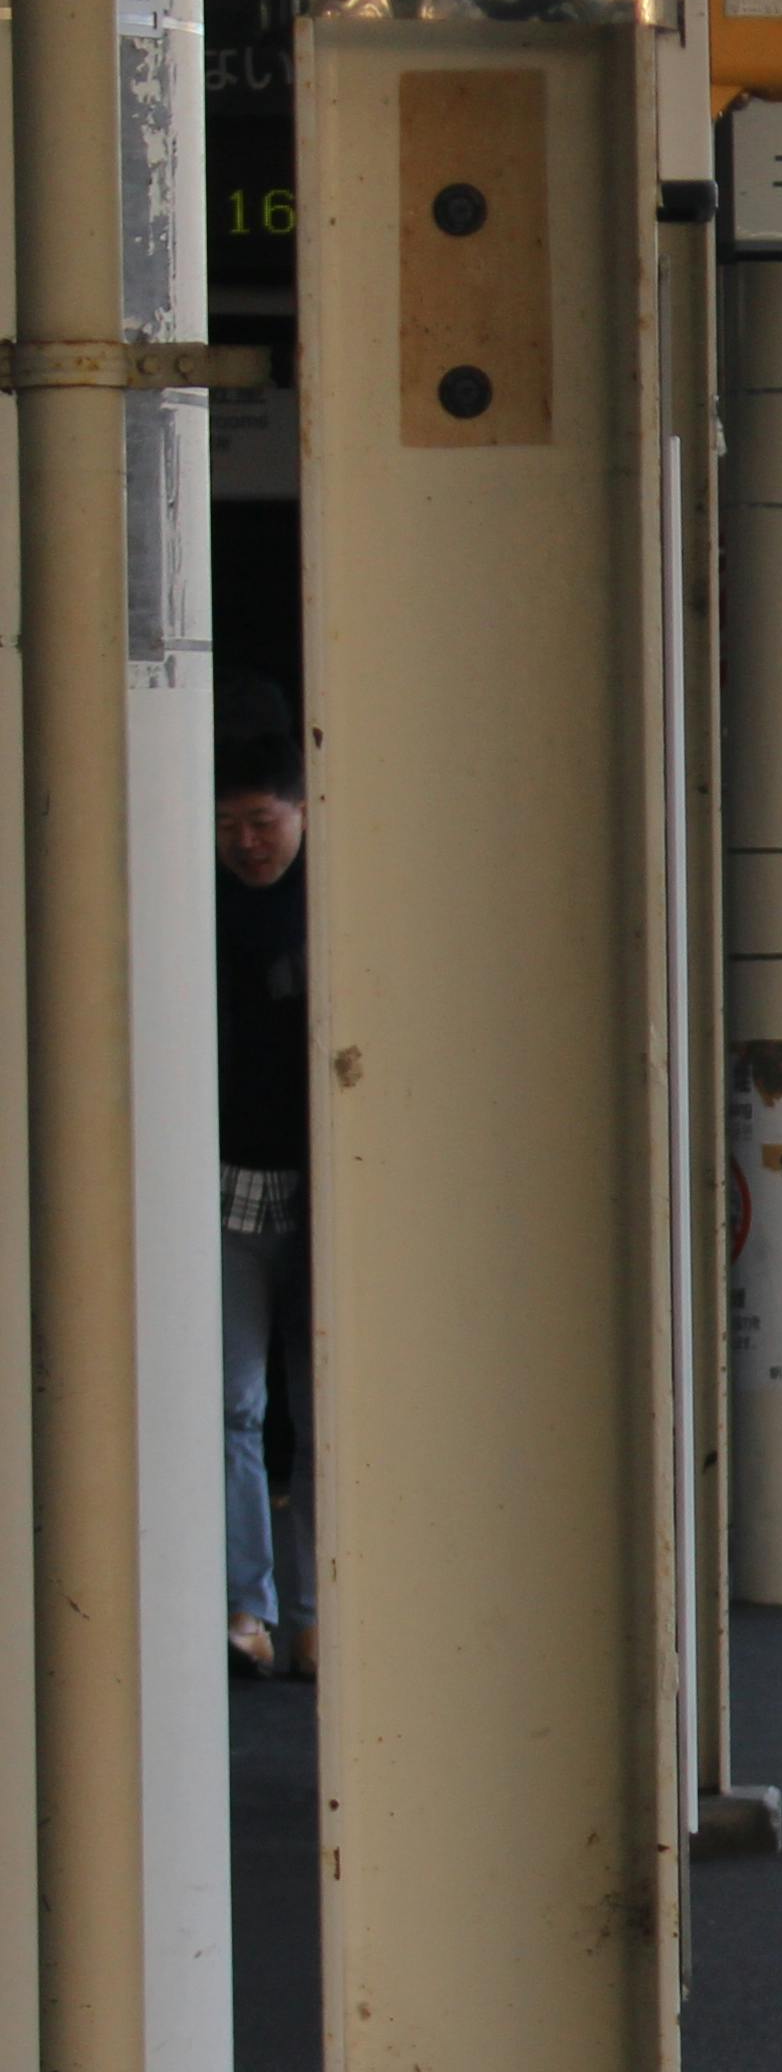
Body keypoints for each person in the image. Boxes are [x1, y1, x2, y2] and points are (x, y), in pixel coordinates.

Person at [216, 705, 311, 1678]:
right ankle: (250, 1612)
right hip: (225, 1191)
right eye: (229, 824)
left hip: (329, 1195)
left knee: (327, 1413)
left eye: (262, 821)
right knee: (234, 1406)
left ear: (301, 811)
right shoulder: (191, 905)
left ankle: (321, 1613)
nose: (246, 842)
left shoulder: (341, 899)